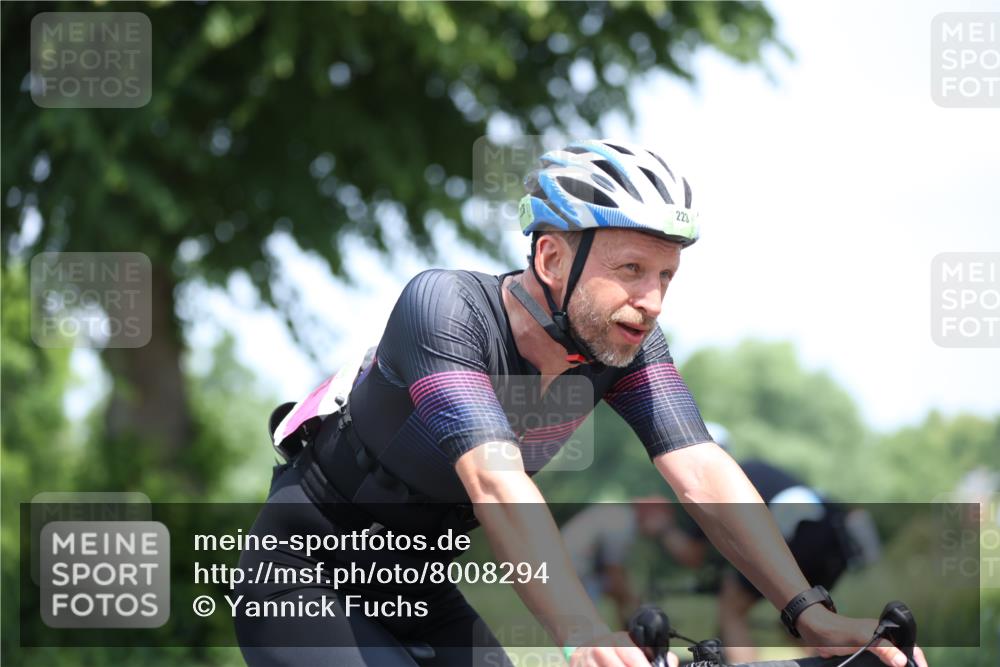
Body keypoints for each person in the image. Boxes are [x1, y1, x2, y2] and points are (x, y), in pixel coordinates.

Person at [234, 140, 926, 667]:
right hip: (301, 572)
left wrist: (808, 611)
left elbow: (704, 475)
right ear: (551, 260)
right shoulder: (445, 309)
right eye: (630, 270)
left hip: (418, 586)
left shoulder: (622, 347)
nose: (651, 300)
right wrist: (583, 632)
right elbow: (497, 484)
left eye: (665, 275)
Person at [641, 424, 859, 663]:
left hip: (798, 531)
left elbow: (692, 555)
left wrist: (663, 528)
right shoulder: (754, 468)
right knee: (804, 621)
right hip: (832, 534)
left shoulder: (706, 483)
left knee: (732, 607)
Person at [560, 499, 679, 629]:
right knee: (584, 624)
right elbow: (614, 575)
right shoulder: (622, 524)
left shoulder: (622, 518)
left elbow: (615, 579)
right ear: (647, 511)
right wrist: (635, 605)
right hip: (573, 570)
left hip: (575, 569)